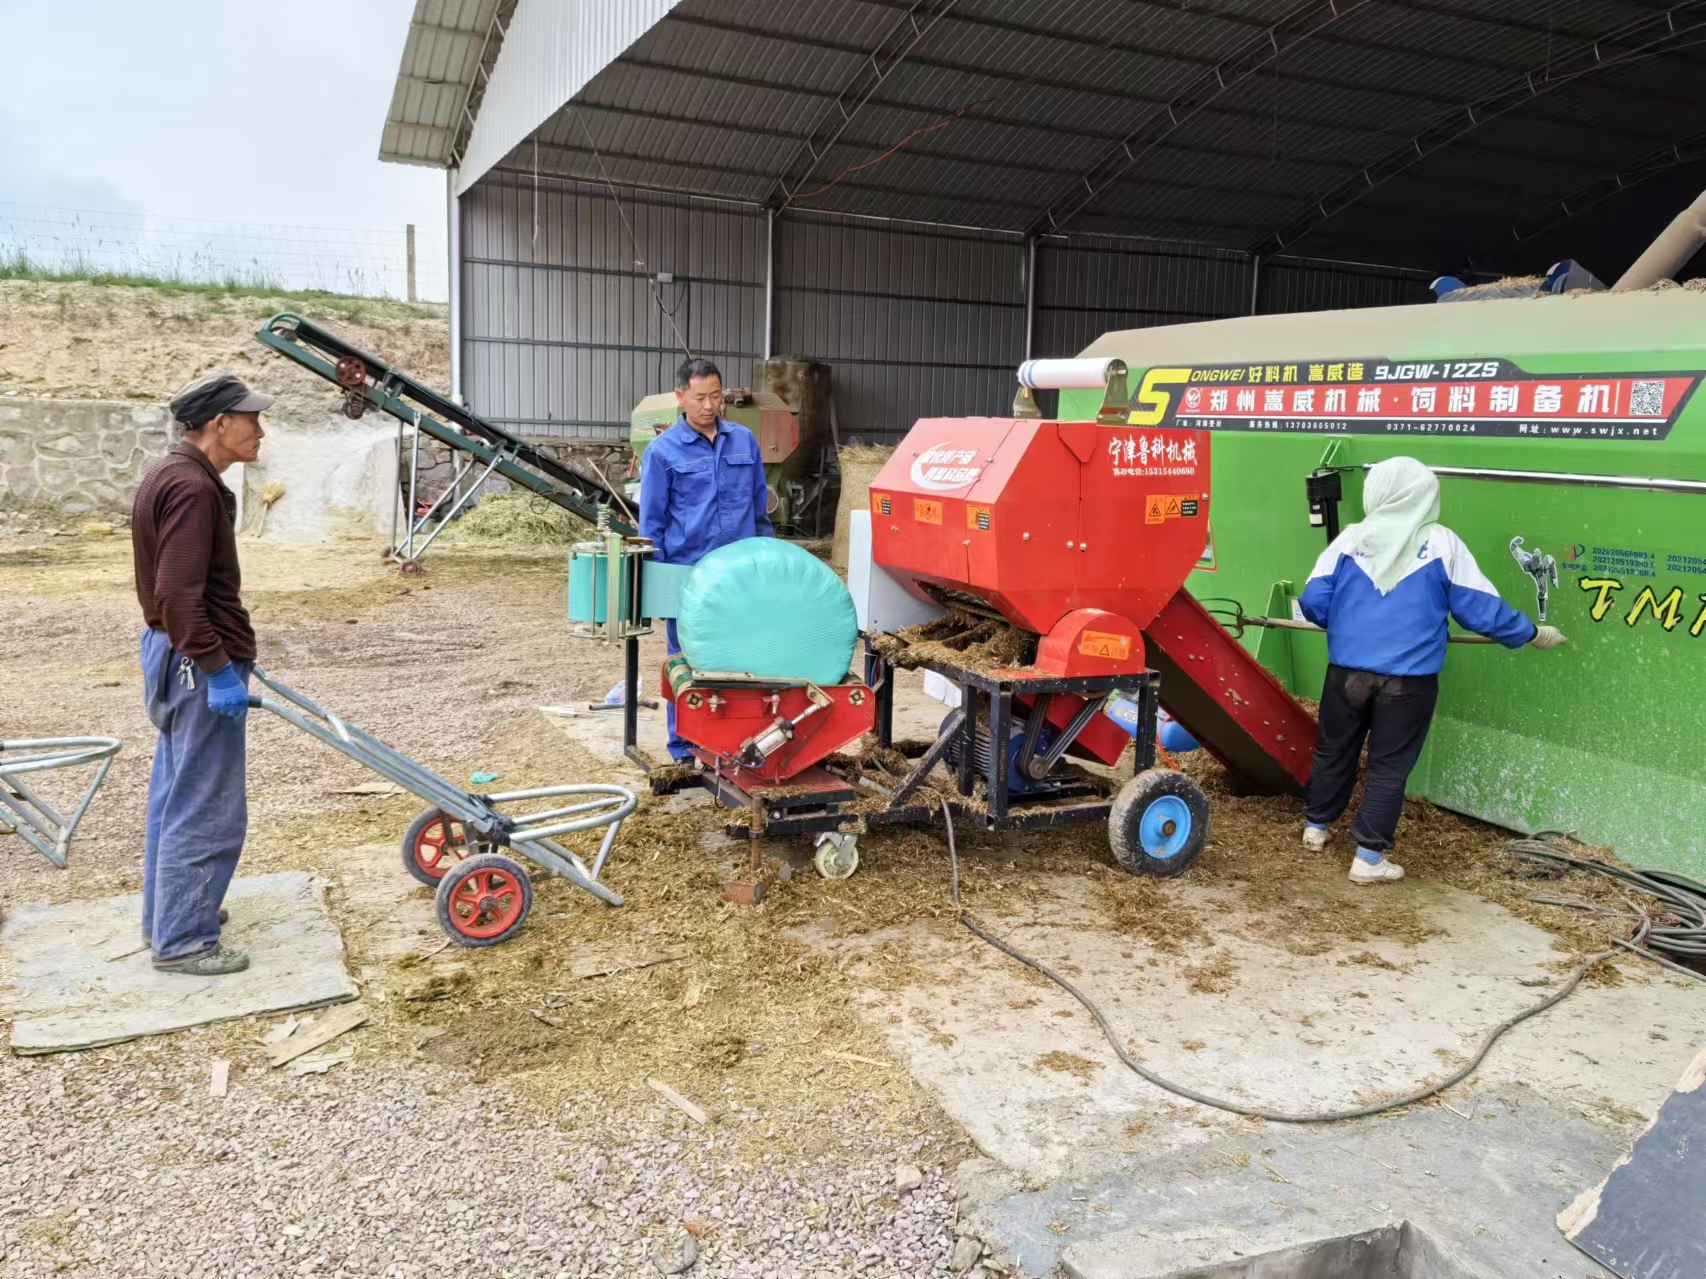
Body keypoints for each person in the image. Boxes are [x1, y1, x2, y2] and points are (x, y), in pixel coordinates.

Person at [1297, 457, 1566, 885]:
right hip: (1408, 682)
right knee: (1388, 766)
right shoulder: (1442, 543)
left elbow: (1313, 602)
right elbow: (1479, 610)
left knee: (1334, 750)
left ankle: (1316, 828)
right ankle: (1368, 859)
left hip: (1346, 674)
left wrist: (1351, 623)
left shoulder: (1350, 540)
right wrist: (1531, 633)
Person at [131, 373, 270, 974]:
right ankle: (185, 940)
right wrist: (218, 669)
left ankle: (168, 915)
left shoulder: (174, 474)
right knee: (207, 803)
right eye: (252, 420)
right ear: (220, 425)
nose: (260, 432)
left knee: (174, 789)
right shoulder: (191, 488)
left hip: (172, 652)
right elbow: (179, 594)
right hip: (194, 660)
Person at [638, 358, 774, 762]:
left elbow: (759, 507)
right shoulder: (662, 452)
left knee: (742, 658)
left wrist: (766, 563)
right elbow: (652, 523)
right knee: (688, 661)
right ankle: (683, 747)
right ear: (681, 397)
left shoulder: (744, 441)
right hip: (688, 575)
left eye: (716, 396)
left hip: (739, 574)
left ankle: (734, 743)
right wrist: (659, 585)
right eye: (700, 397)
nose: (709, 405)